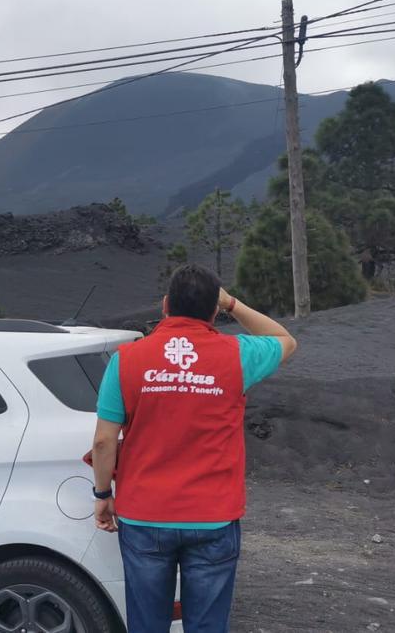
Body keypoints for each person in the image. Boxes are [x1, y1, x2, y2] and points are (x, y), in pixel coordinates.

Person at [90, 264, 297, 633]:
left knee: (147, 624)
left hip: (144, 516)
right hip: (213, 516)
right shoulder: (236, 355)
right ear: (215, 311)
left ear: (165, 304)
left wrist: (103, 493)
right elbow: (285, 339)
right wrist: (234, 303)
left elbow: (104, 441)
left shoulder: (127, 360)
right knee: (208, 625)